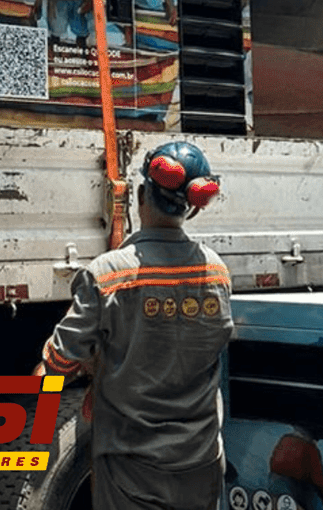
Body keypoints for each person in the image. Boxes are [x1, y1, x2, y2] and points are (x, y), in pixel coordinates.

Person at [36, 141, 233, 510]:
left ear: (141, 195)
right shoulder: (217, 272)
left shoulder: (108, 275)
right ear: (191, 209)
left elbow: (60, 363)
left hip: (133, 469)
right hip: (201, 461)